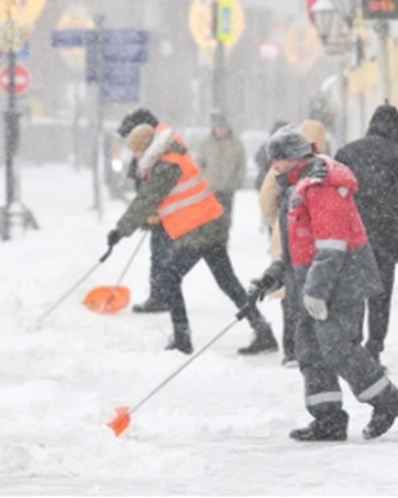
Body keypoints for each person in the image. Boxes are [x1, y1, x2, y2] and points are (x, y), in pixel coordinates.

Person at [250, 126, 398, 442]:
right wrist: (273, 276)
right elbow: (297, 248)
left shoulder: (323, 186)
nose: (273, 167)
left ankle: (387, 401)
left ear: (293, 158)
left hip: (343, 281)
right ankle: (328, 419)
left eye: (277, 160)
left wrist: (316, 291)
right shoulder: (296, 187)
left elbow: (333, 246)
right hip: (314, 281)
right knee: (309, 349)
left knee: (338, 347)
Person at [109, 124, 277, 356]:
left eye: (137, 150)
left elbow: (145, 201)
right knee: (228, 282)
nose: (135, 156)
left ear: (147, 148)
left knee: (169, 278)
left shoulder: (166, 165)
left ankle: (182, 337)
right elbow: (164, 201)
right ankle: (262, 330)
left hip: (198, 231)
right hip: (210, 225)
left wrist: (119, 231)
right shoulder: (172, 159)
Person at [335, 104, 398, 363]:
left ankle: (352, 345)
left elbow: (332, 191)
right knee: (380, 294)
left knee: (354, 292)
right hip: (385, 234)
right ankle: (374, 346)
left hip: (352, 234)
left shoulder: (347, 153)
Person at [259, 120, 328, 367]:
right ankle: (305, 347)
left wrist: (278, 223)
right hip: (302, 238)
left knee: (290, 294)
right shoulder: (321, 167)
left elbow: (266, 198)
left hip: (289, 233)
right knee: (303, 293)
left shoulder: (289, 167)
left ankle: (292, 349)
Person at [117, 108, 169, 314]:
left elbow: (154, 188)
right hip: (156, 212)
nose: (132, 150)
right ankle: (162, 295)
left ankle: (161, 296)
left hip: (165, 214)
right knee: (160, 254)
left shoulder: (157, 154)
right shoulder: (149, 148)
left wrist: (153, 211)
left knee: (162, 255)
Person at [197, 113, 246, 225]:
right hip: (211, 187)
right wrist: (201, 180)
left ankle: (225, 234)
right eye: (219, 127)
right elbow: (200, 162)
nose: (221, 130)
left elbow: (241, 164)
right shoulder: (207, 143)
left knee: (226, 217)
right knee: (210, 217)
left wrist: (238, 179)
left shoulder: (235, 144)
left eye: (223, 127)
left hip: (228, 187)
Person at [254, 120, 289, 192]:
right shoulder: (290, 148)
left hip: (266, 182)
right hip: (277, 184)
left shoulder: (266, 146)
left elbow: (258, 159)